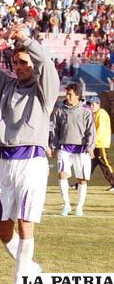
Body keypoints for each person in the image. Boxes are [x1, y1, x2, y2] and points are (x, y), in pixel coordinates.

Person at [0, 24, 60, 284]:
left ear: (32, 62)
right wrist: (2, 39)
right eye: (16, 62)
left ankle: (20, 279)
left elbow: (46, 62)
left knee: (25, 223)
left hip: (31, 161)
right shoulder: (6, 86)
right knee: (2, 229)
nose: (19, 67)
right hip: (6, 162)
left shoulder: (45, 91)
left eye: (24, 62)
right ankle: (30, 267)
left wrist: (26, 39)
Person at [52, 84, 95, 217]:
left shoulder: (86, 110)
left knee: (82, 179)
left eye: (70, 94)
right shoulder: (60, 110)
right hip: (64, 148)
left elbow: (91, 131)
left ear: (78, 95)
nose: (67, 96)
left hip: (81, 149)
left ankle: (79, 207)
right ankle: (66, 205)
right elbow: (55, 130)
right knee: (62, 175)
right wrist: (54, 146)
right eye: (67, 94)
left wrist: (90, 147)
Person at [87, 97, 114, 192]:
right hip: (95, 144)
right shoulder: (95, 114)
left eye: (93, 104)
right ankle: (81, 183)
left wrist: (92, 143)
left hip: (100, 144)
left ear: (99, 104)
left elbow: (100, 131)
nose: (91, 106)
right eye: (90, 104)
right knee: (88, 165)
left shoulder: (101, 113)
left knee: (105, 164)